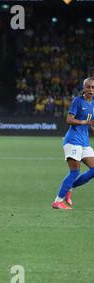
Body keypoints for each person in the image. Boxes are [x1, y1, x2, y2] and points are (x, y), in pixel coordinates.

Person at [52, 77, 94, 210]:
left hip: (84, 142)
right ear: (84, 88)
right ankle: (58, 201)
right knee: (74, 172)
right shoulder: (77, 101)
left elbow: (91, 123)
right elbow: (69, 119)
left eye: (93, 87)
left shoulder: (93, 104)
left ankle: (69, 187)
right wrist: (83, 122)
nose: (91, 90)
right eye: (88, 87)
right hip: (73, 141)